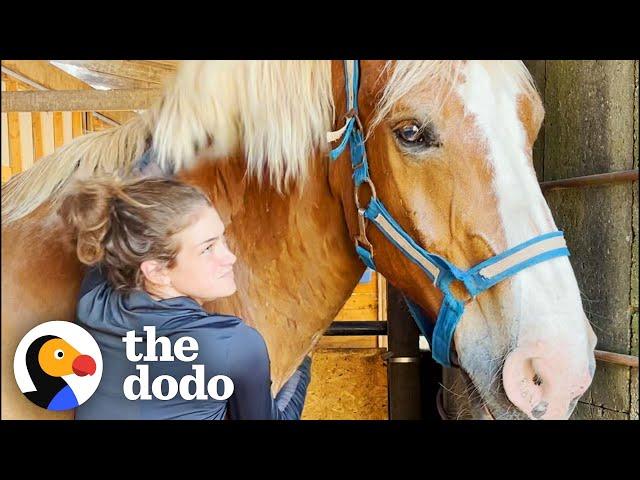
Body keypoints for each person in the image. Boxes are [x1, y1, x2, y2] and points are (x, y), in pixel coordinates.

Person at [59, 175, 311, 420]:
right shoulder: (235, 344)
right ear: (157, 271)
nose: (230, 257)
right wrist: (303, 359)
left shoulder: (93, 301)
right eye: (207, 248)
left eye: (222, 239)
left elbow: (123, 227)